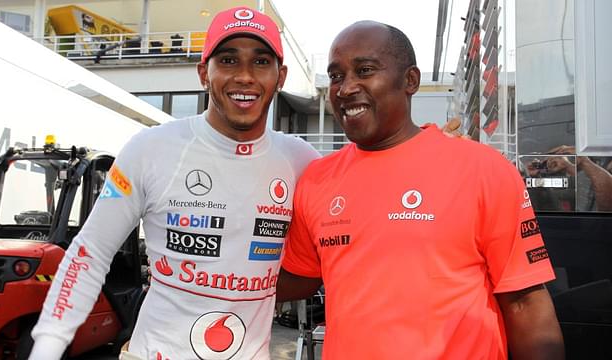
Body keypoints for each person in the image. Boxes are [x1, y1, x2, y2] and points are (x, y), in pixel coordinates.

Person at [29, 7, 321, 360]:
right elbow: (88, 256)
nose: (245, 76)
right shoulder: (150, 148)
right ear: (203, 72)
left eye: (261, 62)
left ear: (281, 76)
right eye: (228, 60)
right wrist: (46, 348)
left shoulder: (303, 161)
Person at [277, 21, 565, 359]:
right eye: (337, 76)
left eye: (365, 70)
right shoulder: (316, 179)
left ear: (410, 80)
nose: (346, 88)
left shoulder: (483, 169)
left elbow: (526, 303)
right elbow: (298, 278)